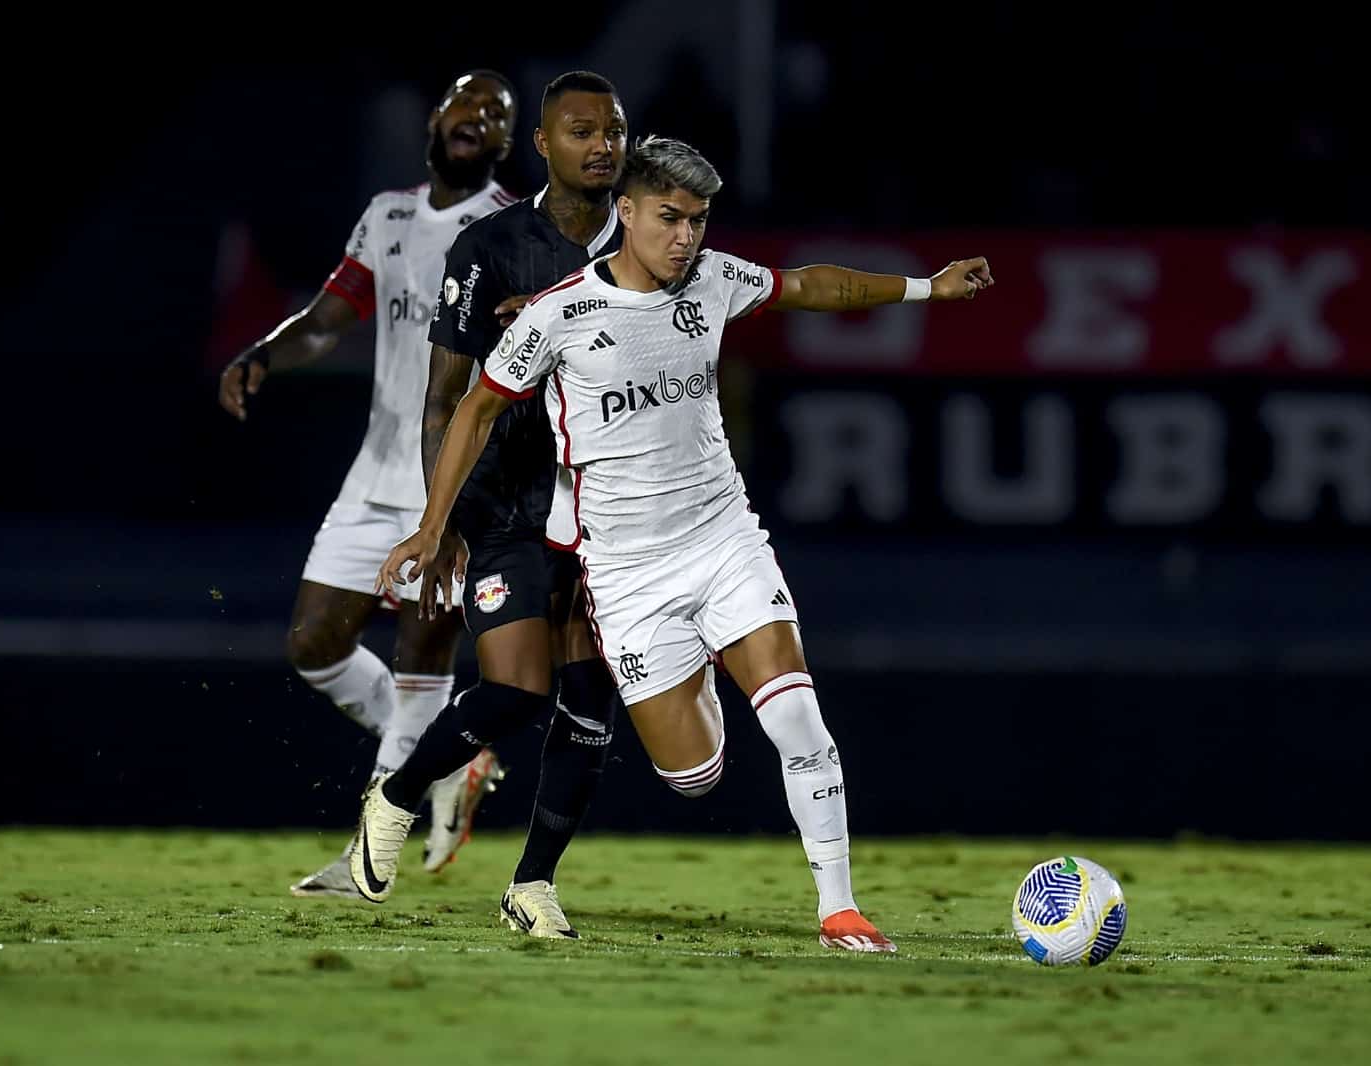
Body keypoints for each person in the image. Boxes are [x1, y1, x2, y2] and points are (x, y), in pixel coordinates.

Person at [371, 135, 993, 952]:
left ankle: (839, 910)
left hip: (725, 539)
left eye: (698, 221)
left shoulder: (713, 278)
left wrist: (927, 289)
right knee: (692, 776)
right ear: (625, 212)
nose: (686, 238)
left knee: (799, 719)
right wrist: (431, 523)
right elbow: (476, 411)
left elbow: (811, 284)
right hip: (630, 576)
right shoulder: (558, 315)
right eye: (669, 219)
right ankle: (698, 658)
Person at [342, 72, 726, 937]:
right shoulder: (488, 248)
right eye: (582, 131)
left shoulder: (658, 249)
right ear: (544, 145)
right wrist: (436, 525)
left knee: (590, 700)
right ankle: (398, 796)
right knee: (514, 690)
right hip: (507, 503)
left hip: (608, 515)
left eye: (615, 132)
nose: (602, 146)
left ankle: (532, 884)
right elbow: (446, 402)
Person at [216, 71, 519, 897]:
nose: (478, 120)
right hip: (372, 474)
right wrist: (264, 353)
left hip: (453, 480)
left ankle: (367, 857)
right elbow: (325, 317)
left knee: (423, 655)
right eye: (467, 104)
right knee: (314, 644)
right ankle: (453, 755)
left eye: (496, 115)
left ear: (505, 142)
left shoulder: (510, 230)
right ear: (437, 119)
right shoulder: (387, 214)